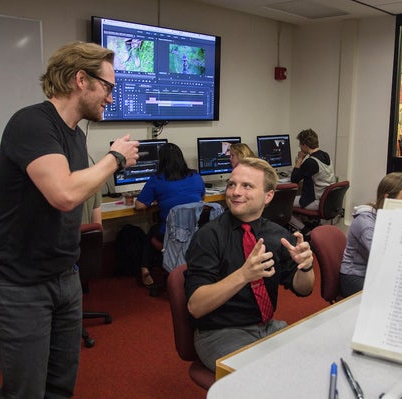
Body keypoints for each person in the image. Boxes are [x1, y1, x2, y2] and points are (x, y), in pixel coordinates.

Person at [0, 41, 139, 399]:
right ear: (81, 79)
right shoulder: (31, 122)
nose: (111, 98)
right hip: (19, 286)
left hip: (65, 277)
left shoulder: (75, 136)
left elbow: (77, 195)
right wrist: (115, 157)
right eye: (108, 87)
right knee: (26, 393)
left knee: (60, 388)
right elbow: (64, 194)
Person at [184, 157, 315, 371]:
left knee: (310, 366)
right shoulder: (208, 236)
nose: (235, 192)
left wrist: (306, 266)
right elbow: (196, 307)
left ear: (268, 196)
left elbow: (305, 289)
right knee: (267, 377)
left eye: (247, 186)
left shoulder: (278, 235)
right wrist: (244, 275)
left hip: (268, 326)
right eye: (232, 184)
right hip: (220, 332)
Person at [135, 143, 205, 291]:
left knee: (151, 232)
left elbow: (139, 206)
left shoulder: (157, 180)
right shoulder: (196, 176)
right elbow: (201, 197)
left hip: (171, 235)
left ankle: (144, 269)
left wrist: (157, 199)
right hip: (196, 233)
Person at [339, 172, 402, 298]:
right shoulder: (366, 222)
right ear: (387, 198)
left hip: (374, 273)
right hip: (355, 277)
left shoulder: (391, 216)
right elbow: (384, 257)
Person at [290, 128, 336, 210]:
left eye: (300, 144)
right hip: (328, 200)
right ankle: (308, 221)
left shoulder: (311, 162)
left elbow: (294, 179)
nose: (299, 146)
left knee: (284, 203)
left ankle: (300, 223)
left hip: (316, 201)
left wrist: (299, 159)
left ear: (305, 145)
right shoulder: (325, 155)